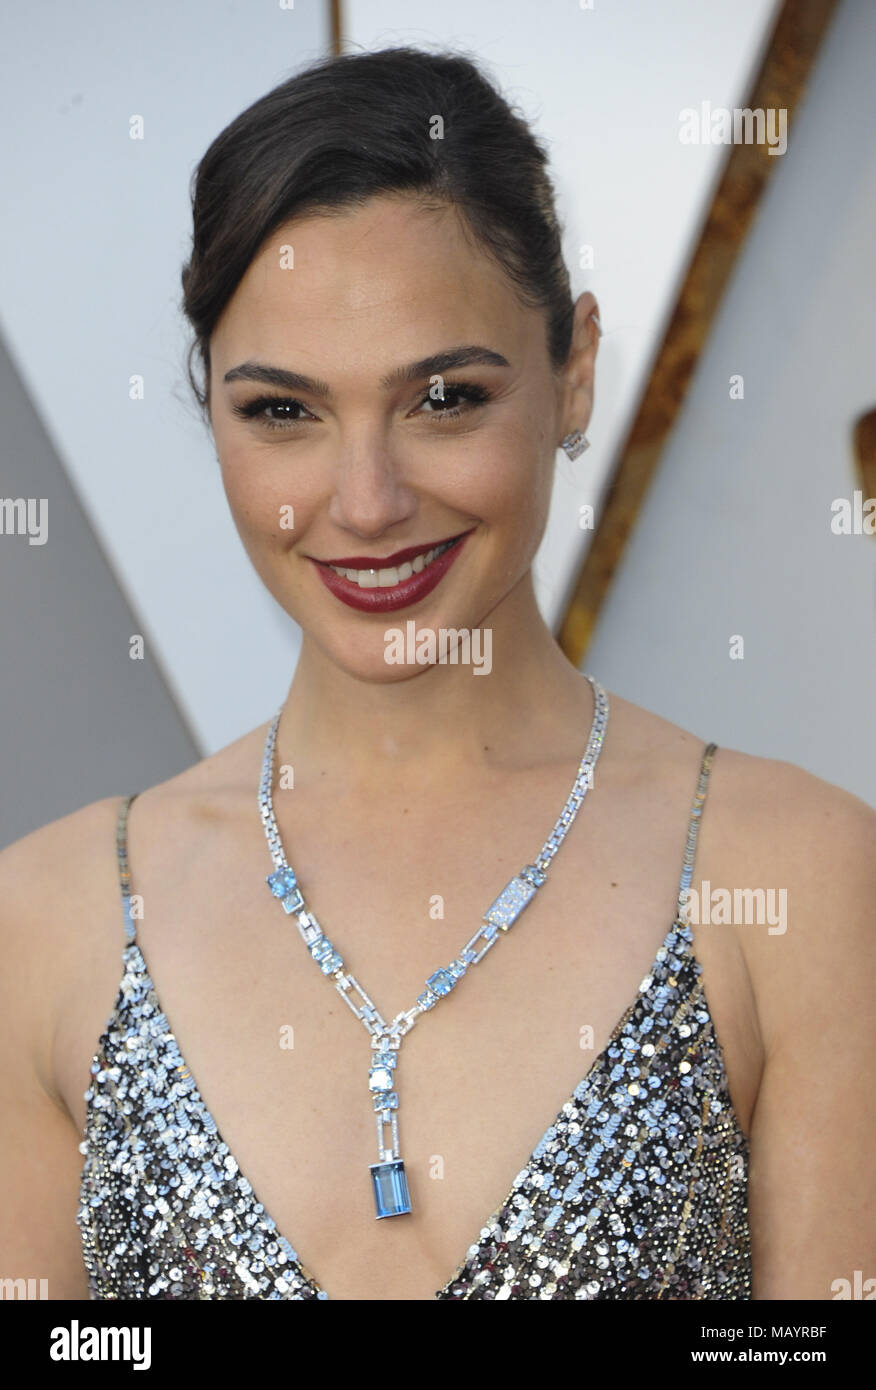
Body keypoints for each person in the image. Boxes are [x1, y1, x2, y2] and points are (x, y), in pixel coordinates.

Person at [1, 45, 874, 1303]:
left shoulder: (795, 878)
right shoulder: (51, 919)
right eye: (284, 412)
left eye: (445, 397)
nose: (366, 501)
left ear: (573, 369)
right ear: (212, 411)